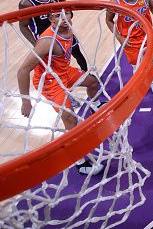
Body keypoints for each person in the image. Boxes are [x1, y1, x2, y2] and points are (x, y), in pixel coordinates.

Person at [17, 11, 104, 175]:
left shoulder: (68, 29)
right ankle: (79, 161)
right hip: (50, 82)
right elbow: (22, 71)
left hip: (64, 73)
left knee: (93, 82)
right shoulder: (47, 42)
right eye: (57, 16)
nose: (62, 18)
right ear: (51, 19)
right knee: (70, 118)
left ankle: (95, 104)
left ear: (71, 16)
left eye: (66, 14)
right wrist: (26, 102)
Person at [18, 0, 88, 71]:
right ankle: (59, 82)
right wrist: (35, 43)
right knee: (53, 65)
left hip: (63, 32)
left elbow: (69, 12)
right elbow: (23, 26)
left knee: (78, 54)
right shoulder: (25, 3)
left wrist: (67, 20)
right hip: (45, 38)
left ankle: (86, 74)